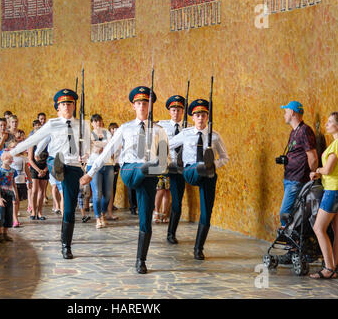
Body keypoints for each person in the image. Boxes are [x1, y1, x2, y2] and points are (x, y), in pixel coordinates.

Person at [80, 86, 170, 274]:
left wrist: (166, 166)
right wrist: (91, 172)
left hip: (149, 175)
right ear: (133, 107)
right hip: (129, 169)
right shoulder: (126, 128)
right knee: (145, 167)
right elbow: (108, 150)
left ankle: (141, 260)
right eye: (139, 103)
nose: (142, 106)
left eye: (146, 103)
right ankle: (146, 167)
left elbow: (165, 156)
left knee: (145, 218)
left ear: (151, 105)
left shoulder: (159, 130)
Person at [7, 89, 91, 259]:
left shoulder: (83, 125)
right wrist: (13, 152)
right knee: (58, 162)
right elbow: (33, 139)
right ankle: (58, 169)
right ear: (57, 107)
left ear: (74, 106)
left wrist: (86, 156)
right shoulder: (53, 123)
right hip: (55, 161)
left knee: (69, 207)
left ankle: (65, 244)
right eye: (63, 104)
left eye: (69, 103)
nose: (66, 106)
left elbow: (87, 148)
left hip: (74, 166)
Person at [169, 98, 229, 260]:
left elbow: (225, 158)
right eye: (197, 115)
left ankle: (198, 249)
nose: (201, 118)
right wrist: (172, 161)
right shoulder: (186, 134)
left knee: (206, 213)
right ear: (193, 118)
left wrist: (214, 165)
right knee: (199, 166)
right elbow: (168, 145)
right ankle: (202, 165)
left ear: (207, 117)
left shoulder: (214, 136)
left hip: (209, 174)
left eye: (203, 115)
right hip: (190, 170)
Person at [277, 101, 318, 264]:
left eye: (286, 111)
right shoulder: (294, 132)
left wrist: (312, 174)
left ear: (293, 113)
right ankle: (292, 250)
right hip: (289, 179)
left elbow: (312, 156)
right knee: (291, 216)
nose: (284, 114)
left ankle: (296, 248)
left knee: (285, 214)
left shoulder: (305, 130)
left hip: (297, 181)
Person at [309, 112, 338, 279]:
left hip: (333, 191)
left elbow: (328, 170)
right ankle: (334, 267)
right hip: (335, 189)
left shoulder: (336, 146)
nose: (326, 124)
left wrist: (317, 171)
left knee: (319, 228)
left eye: (330, 122)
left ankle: (328, 268)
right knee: (336, 231)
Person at [159, 95, 187, 243]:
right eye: (173, 110)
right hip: (164, 165)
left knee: (177, 201)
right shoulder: (161, 125)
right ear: (169, 111)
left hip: (179, 168)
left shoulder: (189, 128)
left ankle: (171, 233)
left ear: (183, 112)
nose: (176, 113)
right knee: (155, 194)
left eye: (179, 110)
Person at [86, 114, 115, 229]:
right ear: (92, 123)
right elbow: (94, 148)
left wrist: (98, 144)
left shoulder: (107, 133)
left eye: (99, 121)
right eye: (95, 121)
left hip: (108, 164)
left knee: (107, 194)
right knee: (97, 193)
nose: (98, 123)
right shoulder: (89, 134)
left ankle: (103, 213)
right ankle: (98, 217)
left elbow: (111, 144)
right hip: (93, 165)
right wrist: (104, 145)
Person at [0, 151, 19, 243]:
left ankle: (5, 233)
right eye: (7, 158)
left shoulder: (13, 171)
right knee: (0, 213)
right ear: (2, 159)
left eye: (11, 158)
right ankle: (0, 234)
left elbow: (14, 184)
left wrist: (15, 195)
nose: (10, 160)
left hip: (9, 194)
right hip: (1, 194)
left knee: (9, 214)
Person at [107, 122, 120, 219]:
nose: (114, 130)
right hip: (108, 164)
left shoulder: (118, 140)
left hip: (116, 164)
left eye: (116, 128)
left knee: (113, 187)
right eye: (113, 129)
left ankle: (111, 205)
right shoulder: (108, 139)